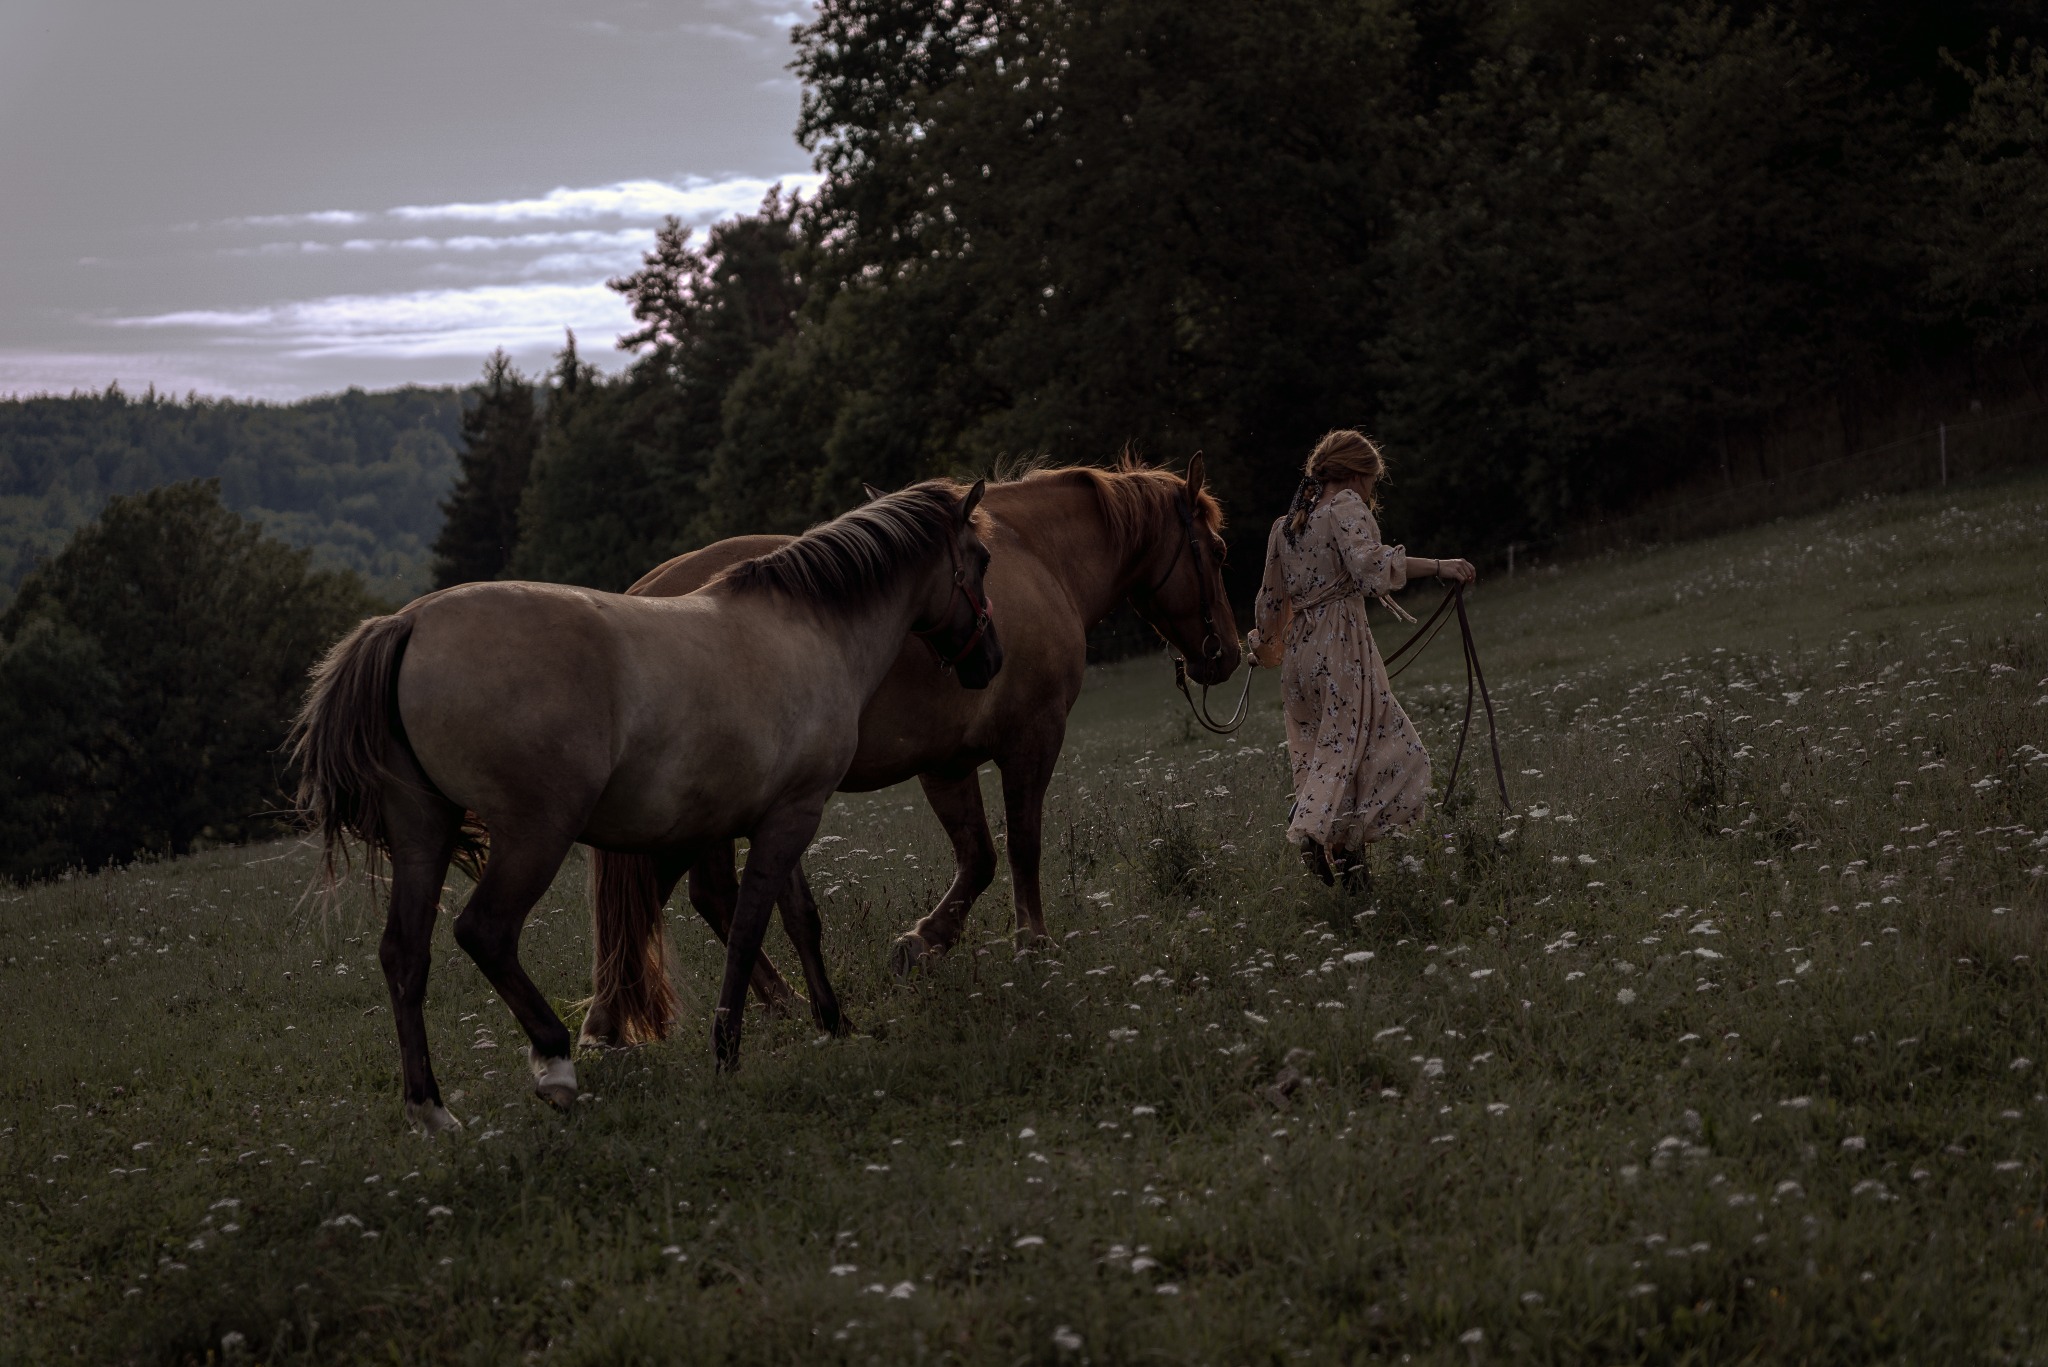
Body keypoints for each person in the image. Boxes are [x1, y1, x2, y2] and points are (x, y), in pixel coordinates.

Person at [1245, 430, 1475, 888]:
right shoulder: (1345, 508)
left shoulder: (1284, 526)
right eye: (1372, 480)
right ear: (1352, 474)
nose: (1372, 491)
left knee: (1326, 755)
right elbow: (1370, 568)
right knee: (1399, 753)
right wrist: (1439, 566)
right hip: (1340, 646)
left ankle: (1351, 870)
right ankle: (1312, 827)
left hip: (1298, 657)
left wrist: (1263, 647)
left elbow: (1271, 603)